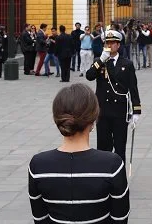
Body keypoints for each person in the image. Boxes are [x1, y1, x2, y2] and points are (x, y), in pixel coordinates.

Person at [28, 84, 130, 223]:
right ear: (93, 119)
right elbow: (120, 219)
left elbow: (40, 219)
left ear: (57, 118)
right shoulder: (112, 165)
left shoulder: (38, 165)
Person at [86, 30, 141, 162]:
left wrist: (136, 111)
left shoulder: (126, 64)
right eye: (107, 43)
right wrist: (101, 59)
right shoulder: (99, 62)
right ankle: (103, 177)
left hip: (120, 111)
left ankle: (119, 179)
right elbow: (89, 76)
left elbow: (133, 88)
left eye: (113, 43)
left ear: (118, 45)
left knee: (120, 147)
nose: (110, 46)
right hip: (103, 111)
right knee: (103, 148)